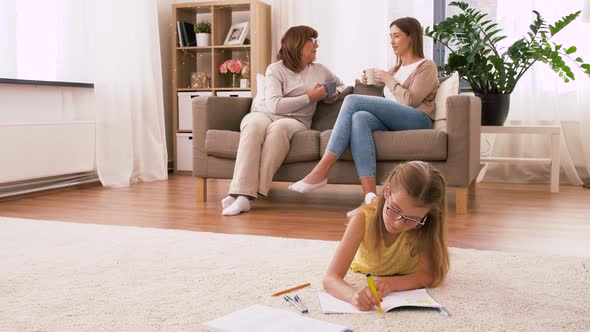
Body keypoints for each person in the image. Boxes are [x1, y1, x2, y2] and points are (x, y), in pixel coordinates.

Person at [289, 17, 439, 208]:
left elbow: (409, 101)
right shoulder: (396, 68)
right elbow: (391, 98)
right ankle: (370, 198)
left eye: (397, 36)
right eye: (390, 36)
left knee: (352, 101)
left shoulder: (426, 66)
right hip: (396, 119)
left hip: (418, 119)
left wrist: (387, 78)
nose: (392, 41)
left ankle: (321, 170)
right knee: (360, 118)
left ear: (411, 37)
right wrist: (376, 82)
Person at [221, 25, 345, 216]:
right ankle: (240, 192)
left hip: (296, 120)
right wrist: (310, 97)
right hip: (266, 113)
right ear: (297, 44)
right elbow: (274, 105)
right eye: (312, 41)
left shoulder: (320, 70)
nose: (317, 45)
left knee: (278, 130)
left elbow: (342, 85)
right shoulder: (275, 69)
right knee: (252, 126)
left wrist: (333, 93)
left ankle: (245, 196)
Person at [322, 161, 449, 311]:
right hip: (366, 268)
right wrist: (353, 296)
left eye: (412, 219)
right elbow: (330, 278)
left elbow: (430, 275)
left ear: (427, 215)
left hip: (406, 272)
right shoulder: (363, 219)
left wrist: (392, 283)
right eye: (394, 209)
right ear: (387, 191)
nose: (398, 223)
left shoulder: (424, 227)